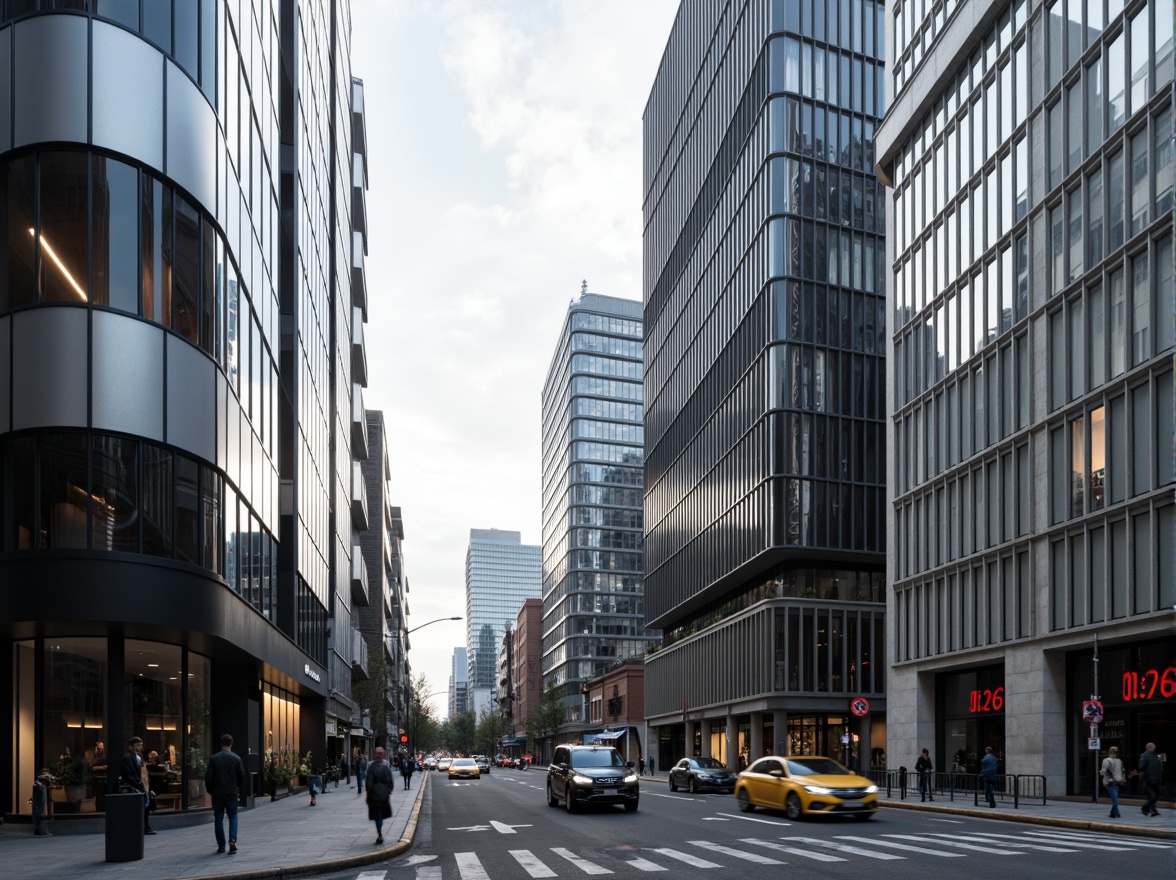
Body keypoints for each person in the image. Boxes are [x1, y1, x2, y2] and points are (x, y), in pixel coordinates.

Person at [205, 733, 246, 854]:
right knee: (233, 816)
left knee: (218, 818)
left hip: (217, 793)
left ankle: (221, 846)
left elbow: (208, 778)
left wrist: (210, 790)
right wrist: (237, 788)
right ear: (231, 744)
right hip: (231, 792)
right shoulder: (236, 759)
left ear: (221, 744)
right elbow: (242, 777)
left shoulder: (214, 759)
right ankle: (232, 839)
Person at [119, 736, 155, 835]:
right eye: (137, 745)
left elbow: (144, 772)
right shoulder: (127, 757)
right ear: (130, 747)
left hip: (142, 786)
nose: (139, 747)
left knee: (146, 808)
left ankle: (146, 826)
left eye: (140, 745)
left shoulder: (140, 757)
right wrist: (138, 783)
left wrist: (146, 785)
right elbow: (128, 774)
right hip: (135, 787)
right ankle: (142, 827)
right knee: (139, 808)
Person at [366, 746, 395, 845]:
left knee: (379, 815)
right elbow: (368, 781)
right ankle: (379, 833)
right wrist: (368, 793)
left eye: (380, 753)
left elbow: (390, 781)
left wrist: (388, 791)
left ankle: (379, 833)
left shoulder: (384, 766)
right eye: (376, 753)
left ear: (383, 755)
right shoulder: (372, 766)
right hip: (374, 795)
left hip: (382, 795)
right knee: (377, 815)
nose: (378, 755)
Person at [1133, 742, 1163, 817]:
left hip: (1156, 779)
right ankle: (1144, 808)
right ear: (1149, 747)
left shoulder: (1157, 755)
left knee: (1155, 795)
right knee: (1153, 796)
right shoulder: (1144, 755)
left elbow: (1161, 764)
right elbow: (1141, 767)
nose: (1155, 748)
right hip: (1148, 779)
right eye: (1153, 747)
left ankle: (1153, 811)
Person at [1100, 746, 1126, 818]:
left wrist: (1123, 779)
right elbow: (1104, 771)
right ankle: (1114, 813)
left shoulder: (1119, 761)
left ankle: (1115, 813)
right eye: (1113, 751)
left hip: (1117, 782)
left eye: (1116, 751)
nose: (1114, 752)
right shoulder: (1106, 760)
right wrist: (1104, 780)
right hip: (1110, 782)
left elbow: (1122, 770)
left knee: (1115, 799)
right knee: (1115, 799)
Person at [32, 769, 53, 836]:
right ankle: (38, 830)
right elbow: (37, 797)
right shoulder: (37, 785)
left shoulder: (42, 785)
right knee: (39, 815)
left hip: (41, 803)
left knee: (40, 815)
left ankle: (40, 830)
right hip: (39, 804)